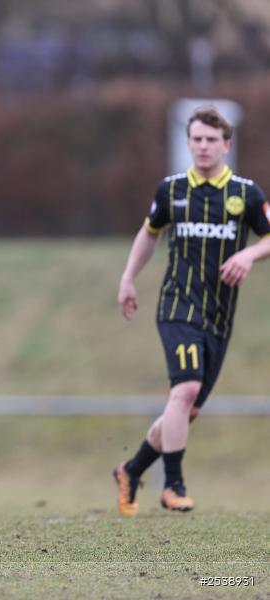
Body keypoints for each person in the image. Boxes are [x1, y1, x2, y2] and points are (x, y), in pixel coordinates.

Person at [114, 106, 270, 516]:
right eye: (196, 139)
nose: (203, 146)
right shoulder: (171, 190)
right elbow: (149, 235)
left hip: (219, 316)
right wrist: (128, 277)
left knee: (188, 408)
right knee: (183, 391)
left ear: (226, 144)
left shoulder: (246, 194)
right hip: (177, 306)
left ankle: (131, 470)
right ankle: (174, 485)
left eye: (211, 140)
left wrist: (250, 254)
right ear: (188, 143)